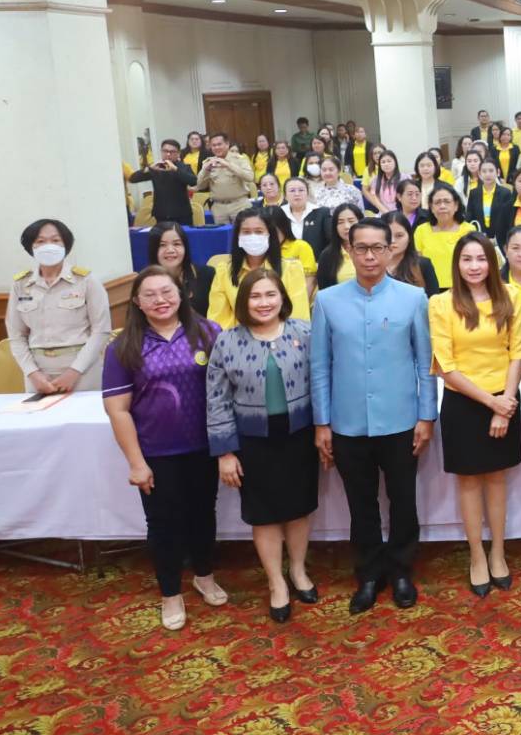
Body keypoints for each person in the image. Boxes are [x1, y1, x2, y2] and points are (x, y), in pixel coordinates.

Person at [312, 218, 436, 614]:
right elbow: (320, 366)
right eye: (361, 247)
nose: (369, 255)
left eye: (377, 248)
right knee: (360, 502)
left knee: (403, 499)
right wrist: (322, 422)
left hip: (400, 420)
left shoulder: (412, 298)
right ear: (348, 249)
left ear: (390, 250)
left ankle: (401, 570)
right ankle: (368, 573)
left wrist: (426, 416)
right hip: (348, 423)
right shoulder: (328, 301)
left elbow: (425, 363)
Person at [101, 266, 224, 630]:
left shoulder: (207, 332)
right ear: (137, 302)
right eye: (150, 294)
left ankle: (205, 575)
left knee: (204, 515)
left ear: (183, 293)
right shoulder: (123, 347)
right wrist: (137, 463)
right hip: (156, 452)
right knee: (164, 524)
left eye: (167, 291)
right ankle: (170, 593)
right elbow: (117, 409)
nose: (160, 300)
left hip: (204, 447)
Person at [206, 267, 320, 621]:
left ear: (283, 298)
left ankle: (299, 570)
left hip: (300, 436)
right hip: (253, 441)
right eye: (255, 296)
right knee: (265, 515)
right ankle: (276, 583)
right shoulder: (227, 341)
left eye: (271, 294)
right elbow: (216, 399)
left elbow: (323, 383)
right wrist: (225, 451)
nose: (264, 302)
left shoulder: (305, 332)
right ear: (244, 302)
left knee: (299, 508)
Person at [430, 231, 521, 596]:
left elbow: (517, 352)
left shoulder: (511, 296)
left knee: (497, 478)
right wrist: (492, 403)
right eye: (467, 259)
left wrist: (507, 403)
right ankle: (476, 556)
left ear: (492, 261)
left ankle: (499, 552)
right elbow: (445, 365)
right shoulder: (441, 303)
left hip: (505, 399)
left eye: (481, 259)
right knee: (469, 481)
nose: (474, 266)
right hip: (464, 403)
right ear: (457, 264)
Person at [7, 218, 112, 394]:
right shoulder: (21, 284)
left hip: (82, 371)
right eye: (40, 241)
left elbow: (101, 330)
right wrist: (33, 374)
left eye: (55, 240)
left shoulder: (86, 280)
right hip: (38, 374)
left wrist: (74, 372)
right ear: (31, 247)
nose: (49, 246)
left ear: (66, 245)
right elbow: (16, 334)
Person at [208, 209, 311, 328]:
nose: (253, 236)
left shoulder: (291, 270)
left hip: (283, 340)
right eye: (246, 232)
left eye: (259, 231)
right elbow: (218, 320)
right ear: (238, 238)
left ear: (270, 235)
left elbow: (299, 318)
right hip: (238, 340)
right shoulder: (224, 272)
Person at [414, 185, 480, 290]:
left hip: (461, 288)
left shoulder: (469, 230)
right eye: (437, 202)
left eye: (447, 201)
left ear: (456, 205)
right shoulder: (421, 230)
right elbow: (416, 264)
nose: (442, 206)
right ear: (431, 207)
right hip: (429, 288)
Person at [149, 221, 214, 316]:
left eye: (176, 244)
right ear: (153, 249)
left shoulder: (207, 274)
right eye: (162, 245)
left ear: (185, 247)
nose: (170, 250)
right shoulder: (145, 282)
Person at [129, 139, 198, 224]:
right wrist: (149, 168)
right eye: (165, 151)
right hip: (161, 214)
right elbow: (132, 179)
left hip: (182, 214)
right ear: (161, 152)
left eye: (172, 152)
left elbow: (193, 181)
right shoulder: (156, 167)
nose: (168, 154)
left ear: (178, 153)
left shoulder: (183, 167)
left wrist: (175, 169)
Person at [195, 133, 257, 224]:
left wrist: (228, 165)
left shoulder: (240, 159)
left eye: (219, 144)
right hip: (219, 207)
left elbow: (250, 177)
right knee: (223, 236)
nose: (216, 147)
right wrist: (206, 170)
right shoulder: (208, 162)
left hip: (239, 205)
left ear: (227, 144)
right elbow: (200, 186)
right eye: (213, 145)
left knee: (241, 235)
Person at [383, 210, 441, 296]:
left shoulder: (423, 264)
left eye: (399, 235)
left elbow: (433, 301)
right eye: (388, 235)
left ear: (409, 237)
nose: (392, 241)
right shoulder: (372, 265)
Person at [280, 177, 331, 262]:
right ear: (285, 196)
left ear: (307, 193)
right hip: (285, 264)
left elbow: (330, 243)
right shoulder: (279, 213)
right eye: (292, 191)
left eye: (301, 190)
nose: (297, 194)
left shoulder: (322, 213)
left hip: (316, 264)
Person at [315, 202, 364, 290]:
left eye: (351, 221)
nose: (346, 226)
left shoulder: (373, 250)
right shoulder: (327, 256)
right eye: (340, 222)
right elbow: (324, 291)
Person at [364, 150, 403, 214]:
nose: (386, 164)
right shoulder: (375, 180)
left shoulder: (404, 178)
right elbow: (376, 201)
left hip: (401, 215)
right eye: (383, 162)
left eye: (389, 161)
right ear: (380, 165)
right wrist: (387, 214)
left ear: (395, 162)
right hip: (383, 215)